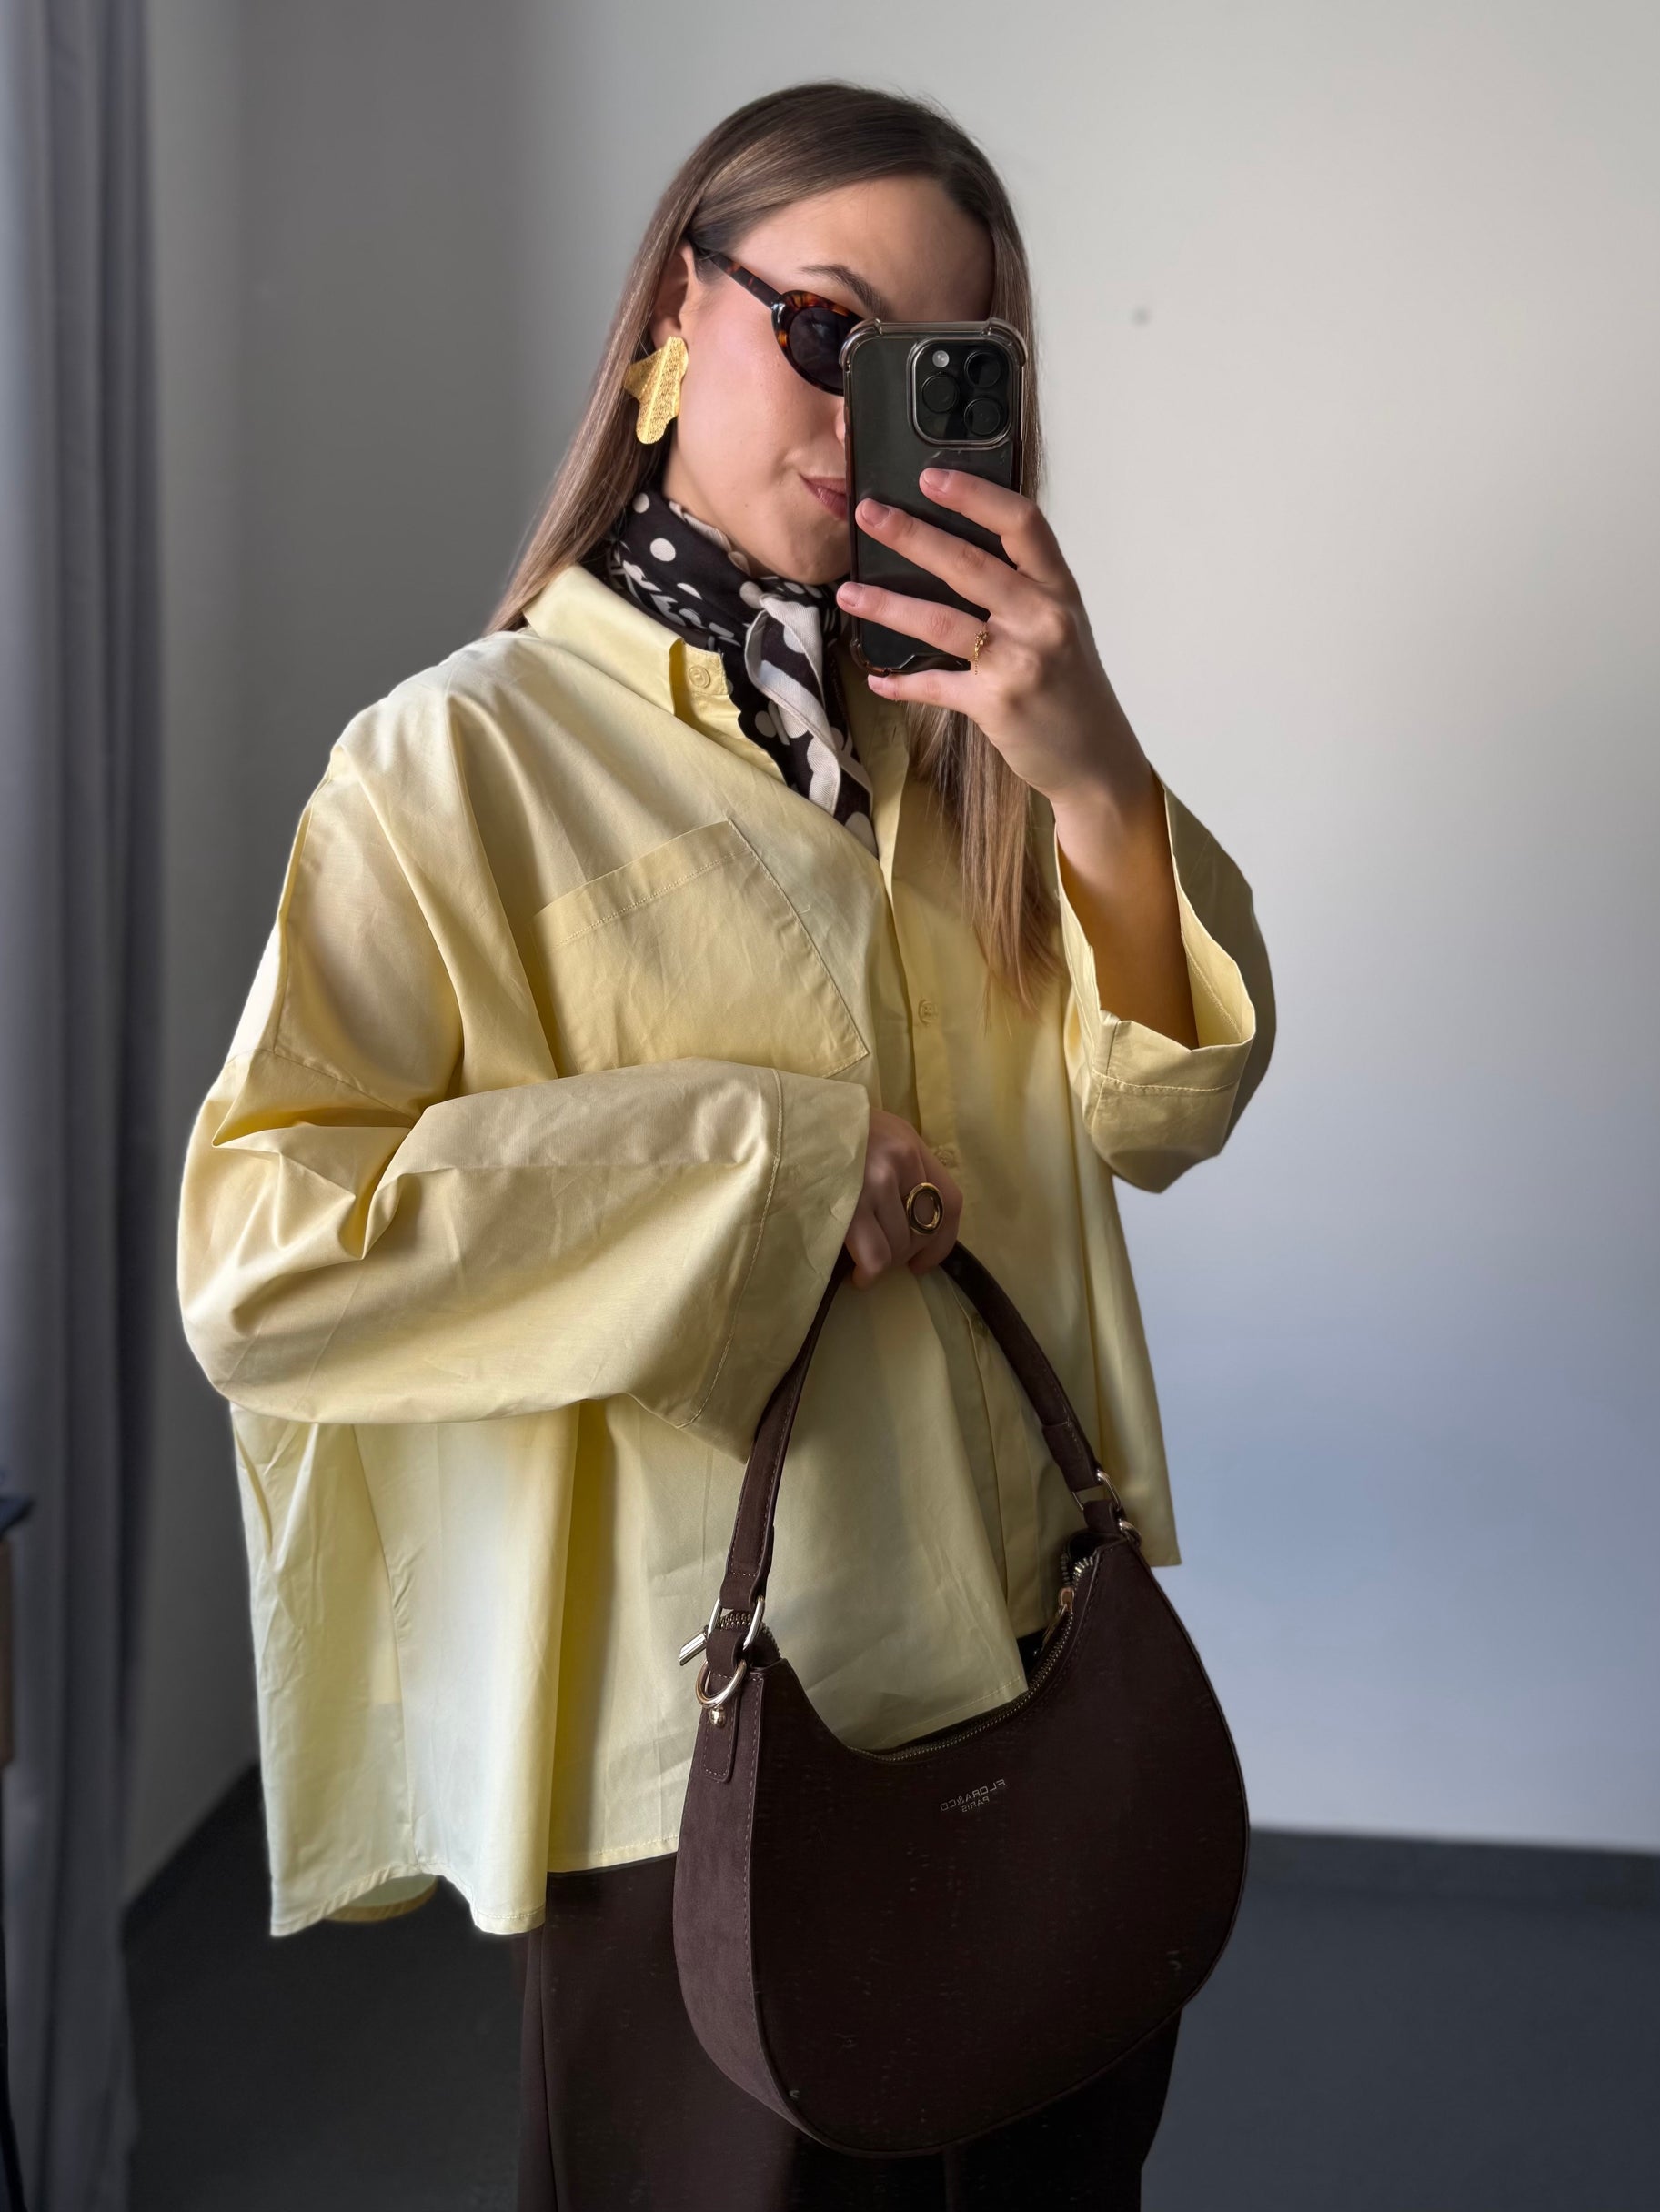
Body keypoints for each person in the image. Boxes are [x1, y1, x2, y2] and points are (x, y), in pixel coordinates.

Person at [176, 78, 1273, 2211]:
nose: (867, 412)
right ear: (677, 314)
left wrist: (1093, 778)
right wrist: (755, 1165)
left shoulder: (976, 756)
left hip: (1038, 1687)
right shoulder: (456, 764)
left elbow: (1169, 1107)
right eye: (825, 331)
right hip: (712, 1763)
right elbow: (262, 1259)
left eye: (942, 364)